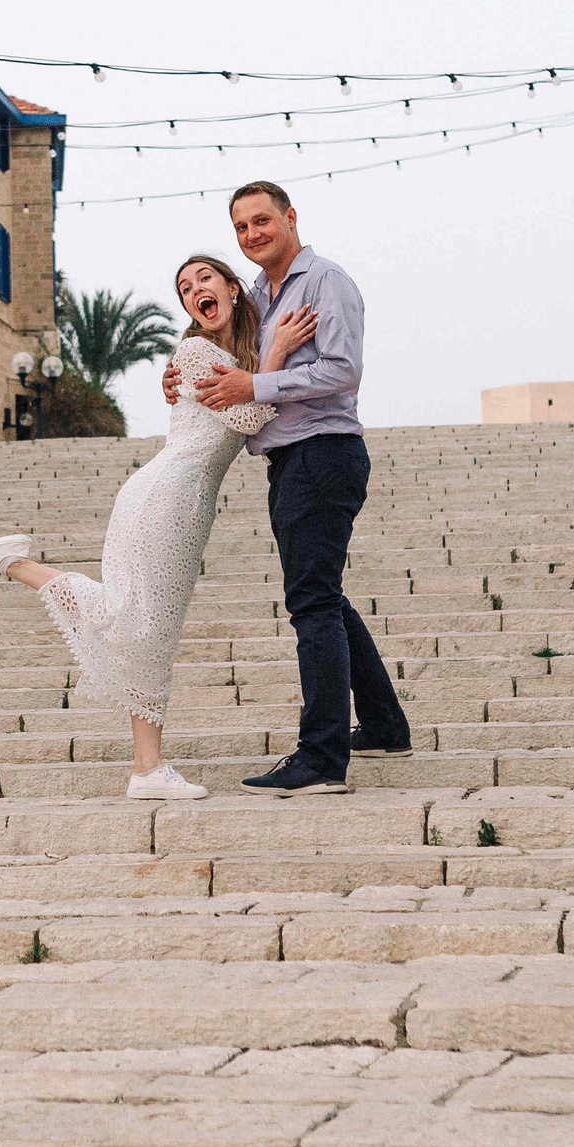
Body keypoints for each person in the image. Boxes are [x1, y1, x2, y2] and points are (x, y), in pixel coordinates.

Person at [0, 255, 316, 800]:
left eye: (204, 279)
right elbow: (249, 415)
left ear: (232, 288)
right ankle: (12, 564)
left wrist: (267, 355)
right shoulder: (196, 352)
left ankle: (147, 770)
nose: (195, 290)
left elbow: (249, 404)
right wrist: (279, 353)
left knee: (149, 630)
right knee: (144, 626)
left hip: (184, 507)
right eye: (185, 288)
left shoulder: (233, 357)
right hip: (162, 500)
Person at [164, 180, 414, 796]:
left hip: (323, 453)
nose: (252, 234)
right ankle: (384, 725)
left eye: (261, 220)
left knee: (313, 604)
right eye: (241, 227)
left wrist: (257, 387)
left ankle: (321, 759)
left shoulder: (325, 281)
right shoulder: (257, 295)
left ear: (290, 217)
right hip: (290, 460)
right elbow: (224, 343)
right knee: (324, 595)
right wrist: (178, 373)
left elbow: (342, 370)